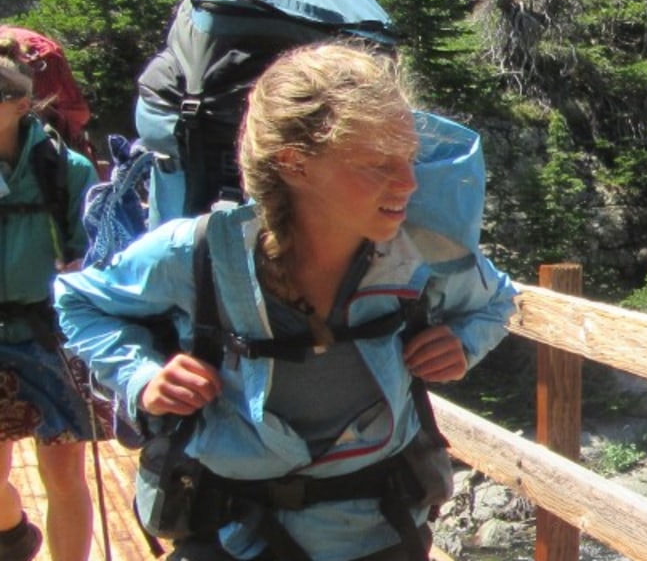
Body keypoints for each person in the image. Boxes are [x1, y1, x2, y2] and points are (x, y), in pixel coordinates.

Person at [58, 42, 518, 561]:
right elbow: (79, 302)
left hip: (379, 529)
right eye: (377, 163)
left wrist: (462, 344)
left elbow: (497, 301)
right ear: (294, 164)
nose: (409, 183)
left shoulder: (417, 252)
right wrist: (142, 377)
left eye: (409, 157)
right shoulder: (202, 251)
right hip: (234, 532)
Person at [0, 35, 103, 561]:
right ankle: (15, 535)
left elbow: (94, 255)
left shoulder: (68, 170)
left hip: (50, 338)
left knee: (63, 476)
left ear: (21, 104)